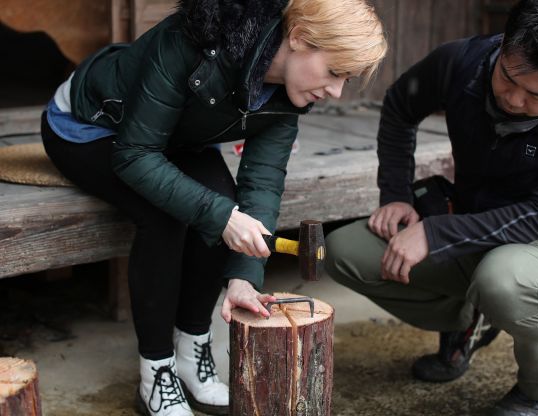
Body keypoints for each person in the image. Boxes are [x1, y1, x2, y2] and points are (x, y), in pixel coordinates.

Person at [40, 0, 386, 415]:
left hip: (171, 137)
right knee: (167, 213)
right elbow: (134, 155)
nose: (335, 92)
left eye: (345, 80)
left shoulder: (291, 94)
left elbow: (262, 181)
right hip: (91, 125)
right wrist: (221, 217)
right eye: (334, 73)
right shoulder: (192, 39)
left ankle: (192, 352)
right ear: (297, 39)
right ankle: (156, 373)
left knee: (218, 201)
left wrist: (244, 274)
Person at [325, 0, 538, 415]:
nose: (514, 99)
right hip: (470, 220)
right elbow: (399, 106)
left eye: (536, 93)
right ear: (503, 43)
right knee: (344, 252)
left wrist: (434, 234)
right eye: (508, 77)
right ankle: (468, 321)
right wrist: (395, 193)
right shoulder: (462, 61)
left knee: (503, 280)